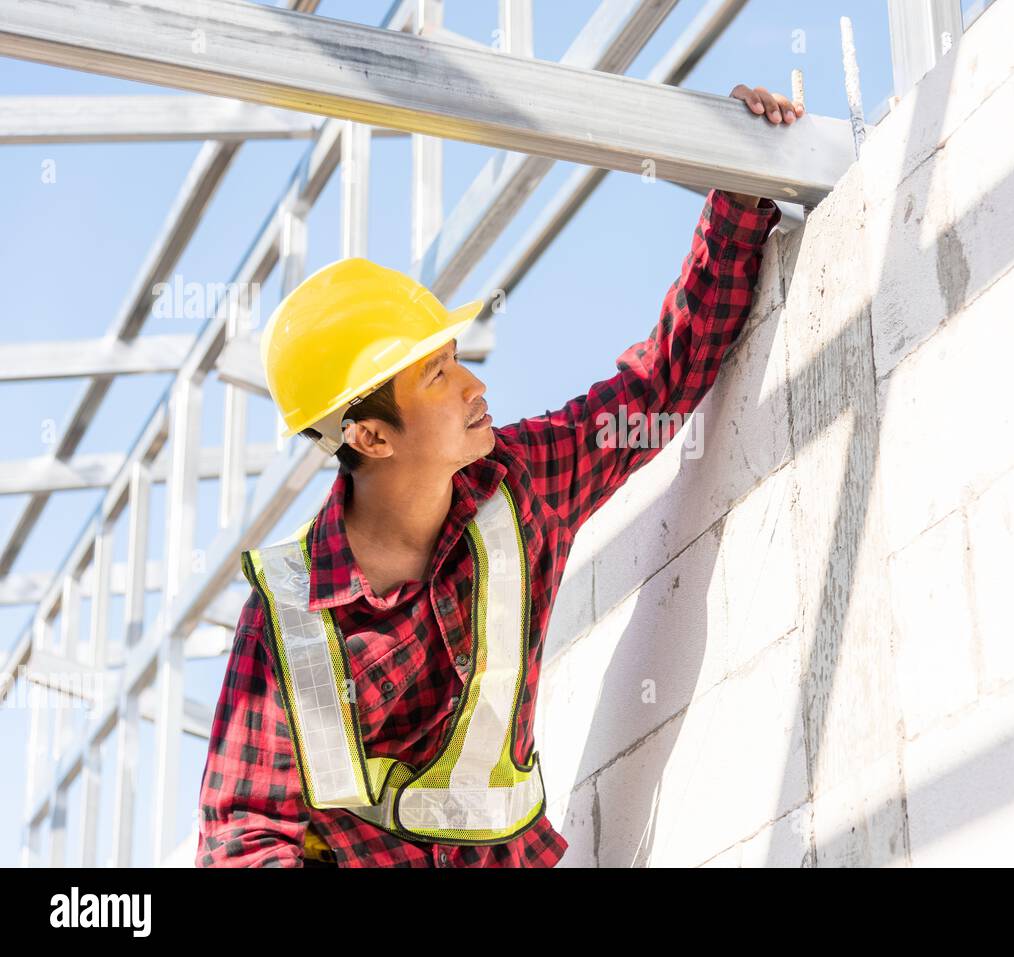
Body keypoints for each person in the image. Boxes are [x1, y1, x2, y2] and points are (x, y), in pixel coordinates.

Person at [195, 83, 803, 867]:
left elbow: (658, 386)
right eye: (439, 377)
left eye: (457, 361)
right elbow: (241, 836)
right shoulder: (288, 621)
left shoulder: (519, 487)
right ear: (371, 435)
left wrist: (740, 192)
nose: (476, 387)